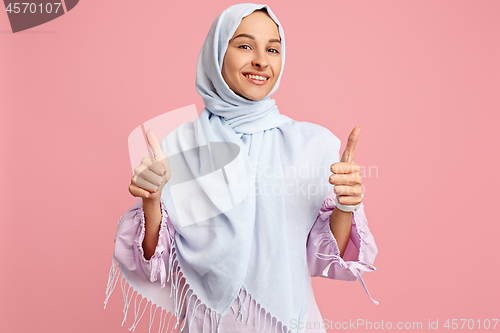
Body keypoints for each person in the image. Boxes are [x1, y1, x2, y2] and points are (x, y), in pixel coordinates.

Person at [104, 3, 378, 333]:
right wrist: (152, 202)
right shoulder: (178, 147)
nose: (261, 60)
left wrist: (345, 206)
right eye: (245, 45)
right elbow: (153, 267)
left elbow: (325, 262)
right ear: (217, 53)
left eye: (273, 49)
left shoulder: (312, 145)